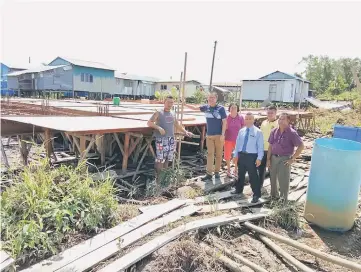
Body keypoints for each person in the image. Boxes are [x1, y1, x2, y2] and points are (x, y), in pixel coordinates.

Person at [147, 96, 193, 179]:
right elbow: (149, 123)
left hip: (171, 139)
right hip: (161, 139)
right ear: (164, 102)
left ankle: (164, 177)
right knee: (160, 159)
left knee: (168, 158)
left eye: (171, 102)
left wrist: (185, 132)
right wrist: (159, 128)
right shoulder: (158, 112)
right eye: (168, 102)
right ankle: (158, 179)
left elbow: (177, 124)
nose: (170, 104)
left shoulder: (172, 113)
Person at [267, 113, 304, 201]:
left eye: (283, 119)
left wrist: (292, 159)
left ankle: (283, 199)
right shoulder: (274, 131)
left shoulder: (292, 133)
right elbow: (270, 146)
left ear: (288, 121)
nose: (281, 121)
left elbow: (301, 146)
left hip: (284, 159)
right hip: (273, 157)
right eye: (280, 119)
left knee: (283, 180)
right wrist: (268, 159)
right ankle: (274, 197)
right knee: (273, 178)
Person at [232, 112, 264, 203]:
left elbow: (260, 147)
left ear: (253, 120)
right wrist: (235, 155)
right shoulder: (241, 131)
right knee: (240, 174)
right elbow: (237, 144)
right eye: (246, 119)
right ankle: (238, 189)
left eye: (250, 118)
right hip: (242, 155)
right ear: (244, 120)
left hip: (252, 156)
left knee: (253, 176)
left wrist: (259, 158)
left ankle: (256, 195)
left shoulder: (258, 132)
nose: (248, 120)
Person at [199, 92, 227, 181]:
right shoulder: (206, 107)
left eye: (213, 97)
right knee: (210, 154)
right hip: (209, 135)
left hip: (219, 135)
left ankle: (217, 172)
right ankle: (209, 174)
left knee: (218, 154)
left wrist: (223, 134)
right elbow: (195, 107)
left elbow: (225, 122)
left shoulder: (221, 108)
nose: (211, 99)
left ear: (216, 99)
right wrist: (184, 103)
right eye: (209, 97)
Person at [259, 105, 278, 186]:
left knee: (272, 171)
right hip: (262, 149)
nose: (270, 114)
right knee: (260, 169)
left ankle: (274, 189)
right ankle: (259, 187)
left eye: (272, 113)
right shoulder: (264, 123)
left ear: (275, 113)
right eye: (268, 113)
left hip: (273, 151)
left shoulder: (278, 123)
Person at [224, 103, 244, 177]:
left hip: (238, 139)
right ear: (229, 109)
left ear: (237, 109)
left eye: (235, 107)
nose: (233, 109)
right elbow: (223, 127)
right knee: (227, 154)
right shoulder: (226, 117)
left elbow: (243, 127)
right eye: (232, 107)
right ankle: (228, 169)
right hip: (228, 138)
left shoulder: (241, 117)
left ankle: (236, 169)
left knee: (237, 154)